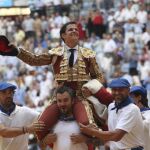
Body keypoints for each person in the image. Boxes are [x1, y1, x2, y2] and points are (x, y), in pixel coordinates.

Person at [0, 22, 112, 141]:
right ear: (63, 35)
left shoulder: (88, 54)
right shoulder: (55, 53)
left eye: (76, 29)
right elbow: (34, 60)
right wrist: (17, 52)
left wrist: (90, 86)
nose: (74, 31)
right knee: (40, 127)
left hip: (80, 96)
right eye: (70, 30)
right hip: (59, 97)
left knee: (87, 124)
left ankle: (87, 141)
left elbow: (99, 76)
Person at [79, 78, 144, 150]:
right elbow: (111, 135)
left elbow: (116, 136)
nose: (116, 92)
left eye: (120, 90)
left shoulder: (132, 109)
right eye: (114, 90)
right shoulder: (111, 106)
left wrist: (92, 131)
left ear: (128, 91)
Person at [41, 86, 89, 150]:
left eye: (65, 100)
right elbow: (40, 145)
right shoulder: (52, 120)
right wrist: (45, 141)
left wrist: (85, 138)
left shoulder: (82, 118)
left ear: (72, 101)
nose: (62, 104)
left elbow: (99, 141)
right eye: (59, 101)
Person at [0, 82, 45, 150]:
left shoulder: (24, 111)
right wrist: (27, 129)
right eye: (4, 92)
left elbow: (43, 119)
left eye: (11, 92)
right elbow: (3, 132)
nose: (8, 95)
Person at [130, 86, 150, 150]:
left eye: (131, 97)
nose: (129, 99)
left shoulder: (148, 114)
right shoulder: (127, 112)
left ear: (139, 97)